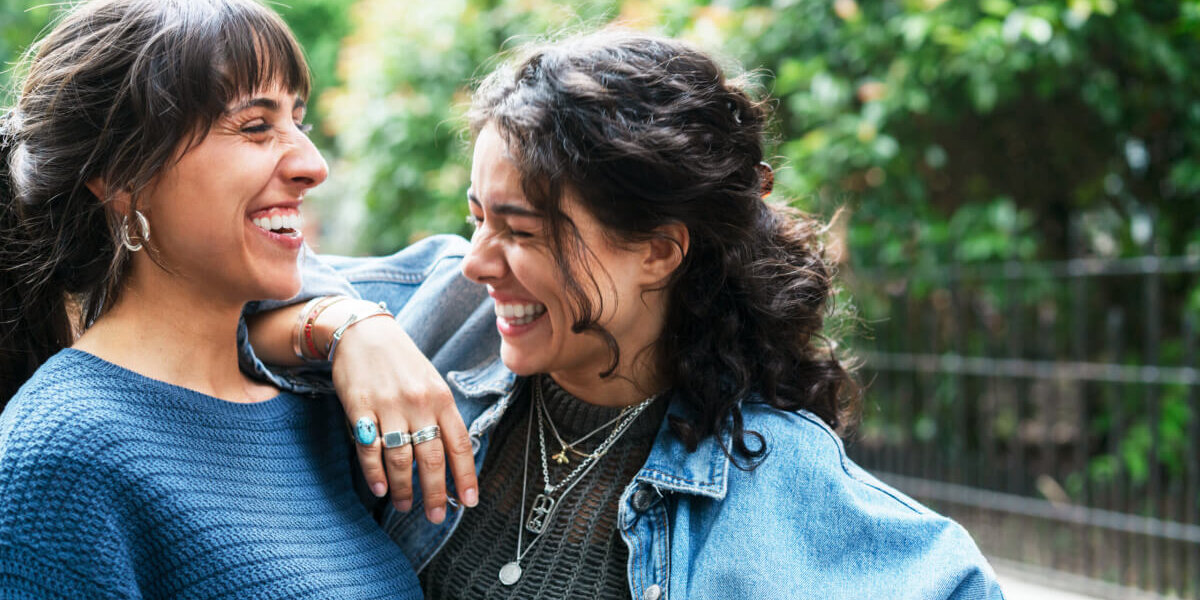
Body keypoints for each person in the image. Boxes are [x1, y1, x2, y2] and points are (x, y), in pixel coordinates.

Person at [245, 30, 1006, 599]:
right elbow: (225, 305)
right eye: (477, 218)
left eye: (522, 232)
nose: (479, 261)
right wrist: (348, 331)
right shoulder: (452, 307)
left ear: (658, 251)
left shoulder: (775, 478)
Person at [0, 0, 453, 596]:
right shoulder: (60, 459)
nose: (313, 165)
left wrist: (356, 324)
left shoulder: (322, 409)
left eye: (299, 123)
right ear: (123, 178)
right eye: (256, 126)